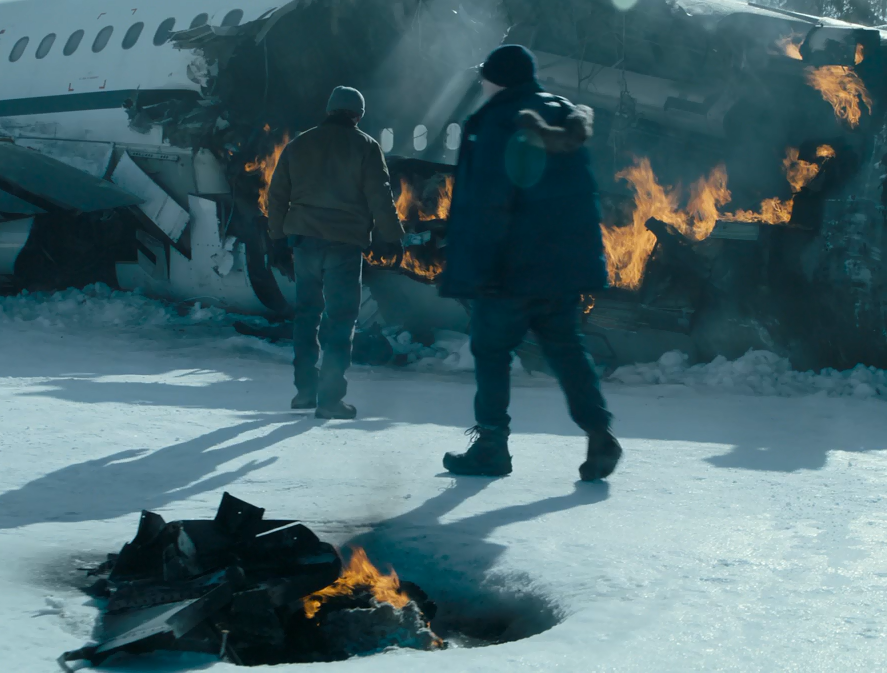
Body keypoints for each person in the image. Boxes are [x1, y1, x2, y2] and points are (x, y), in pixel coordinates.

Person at [439, 45, 621, 481]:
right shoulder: (563, 115)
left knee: (491, 352)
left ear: (498, 79)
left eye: (486, 77)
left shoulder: (501, 120)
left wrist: (481, 267)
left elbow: (492, 198)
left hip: (511, 268)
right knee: (567, 350)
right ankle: (599, 434)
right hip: (560, 269)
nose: (482, 84)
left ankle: (491, 446)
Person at [266, 86, 405, 419]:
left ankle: (304, 392)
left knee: (307, 315)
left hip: (304, 243)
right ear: (358, 115)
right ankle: (330, 400)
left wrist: (276, 240)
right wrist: (392, 237)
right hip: (344, 245)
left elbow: (277, 196)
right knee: (341, 319)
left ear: (329, 111)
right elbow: (380, 196)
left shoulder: (299, 144)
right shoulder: (366, 146)